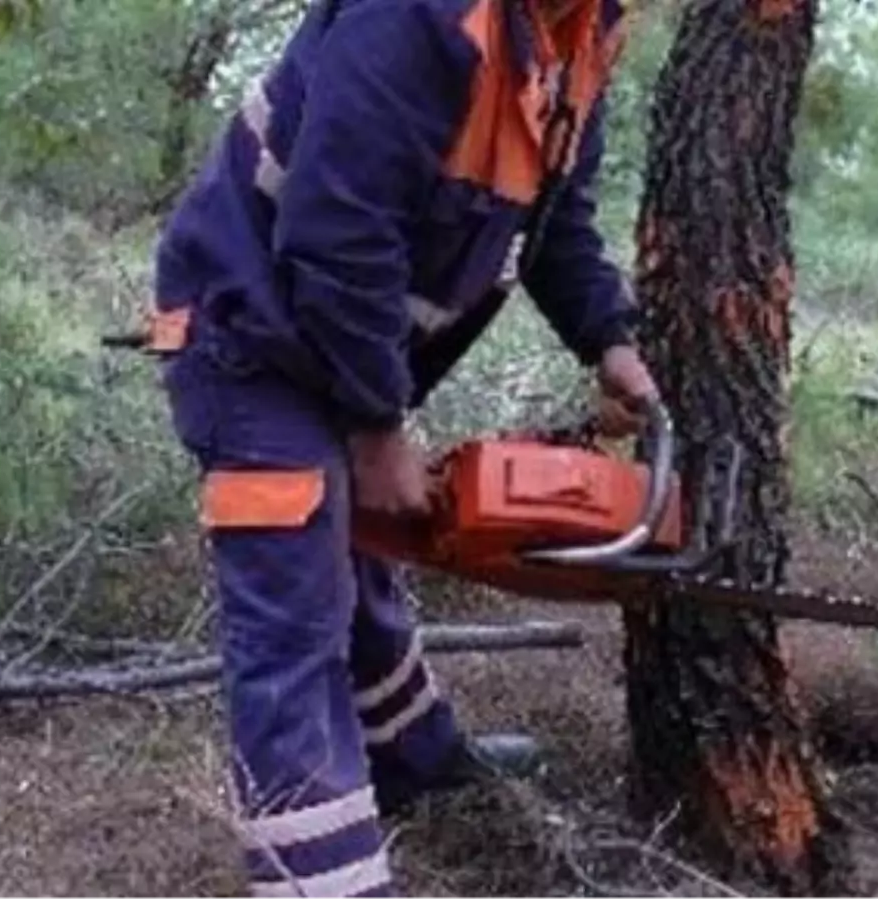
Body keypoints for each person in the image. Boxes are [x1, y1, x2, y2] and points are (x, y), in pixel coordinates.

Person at [145, 0, 657, 893]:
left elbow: (556, 225)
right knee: (295, 606)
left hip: (337, 337)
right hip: (247, 329)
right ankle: (323, 878)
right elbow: (336, 225)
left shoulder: (579, 38)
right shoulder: (422, 14)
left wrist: (609, 340)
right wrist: (378, 424)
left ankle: (413, 757)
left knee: (363, 554)